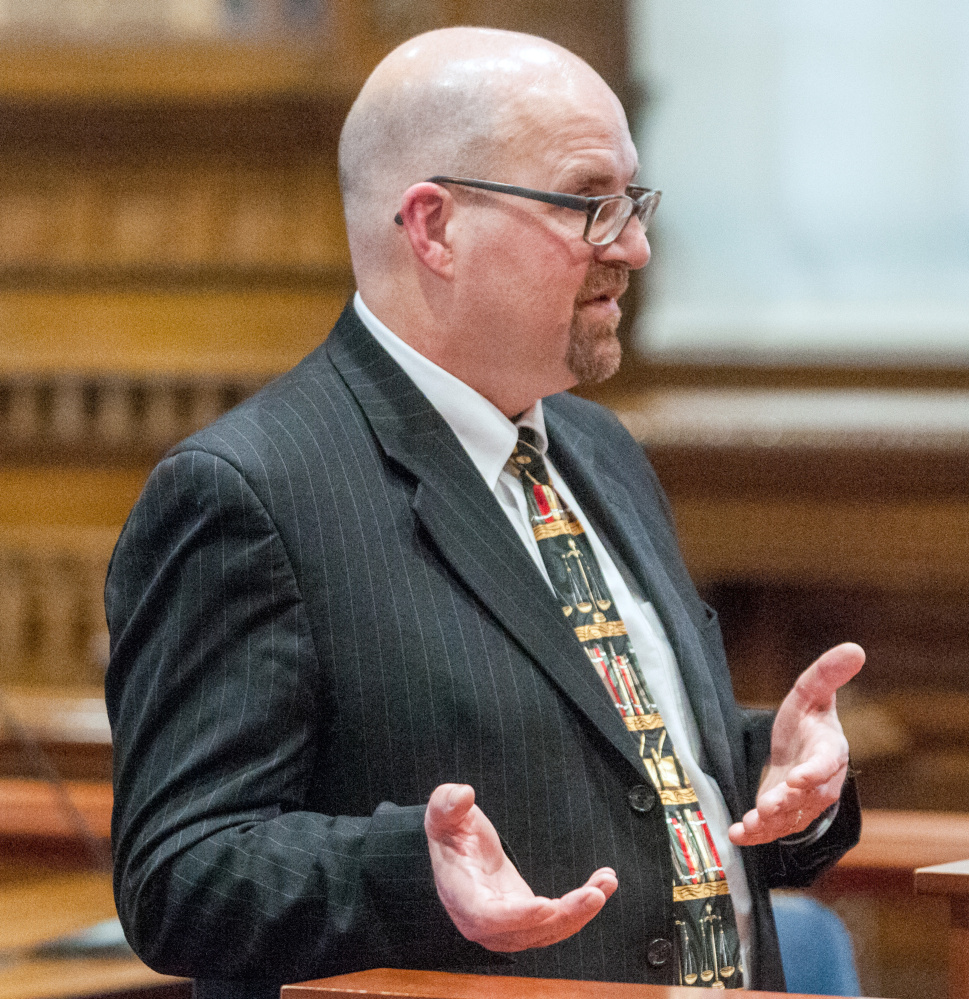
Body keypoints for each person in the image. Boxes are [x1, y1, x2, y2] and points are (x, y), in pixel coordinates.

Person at [104, 26, 863, 999]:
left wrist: (775, 775)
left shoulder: (599, 451)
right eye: (590, 203)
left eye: (632, 201)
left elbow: (609, 761)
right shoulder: (247, 492)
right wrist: (411, 873)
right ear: (434, 227)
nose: (632, 244)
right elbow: (179, 875)